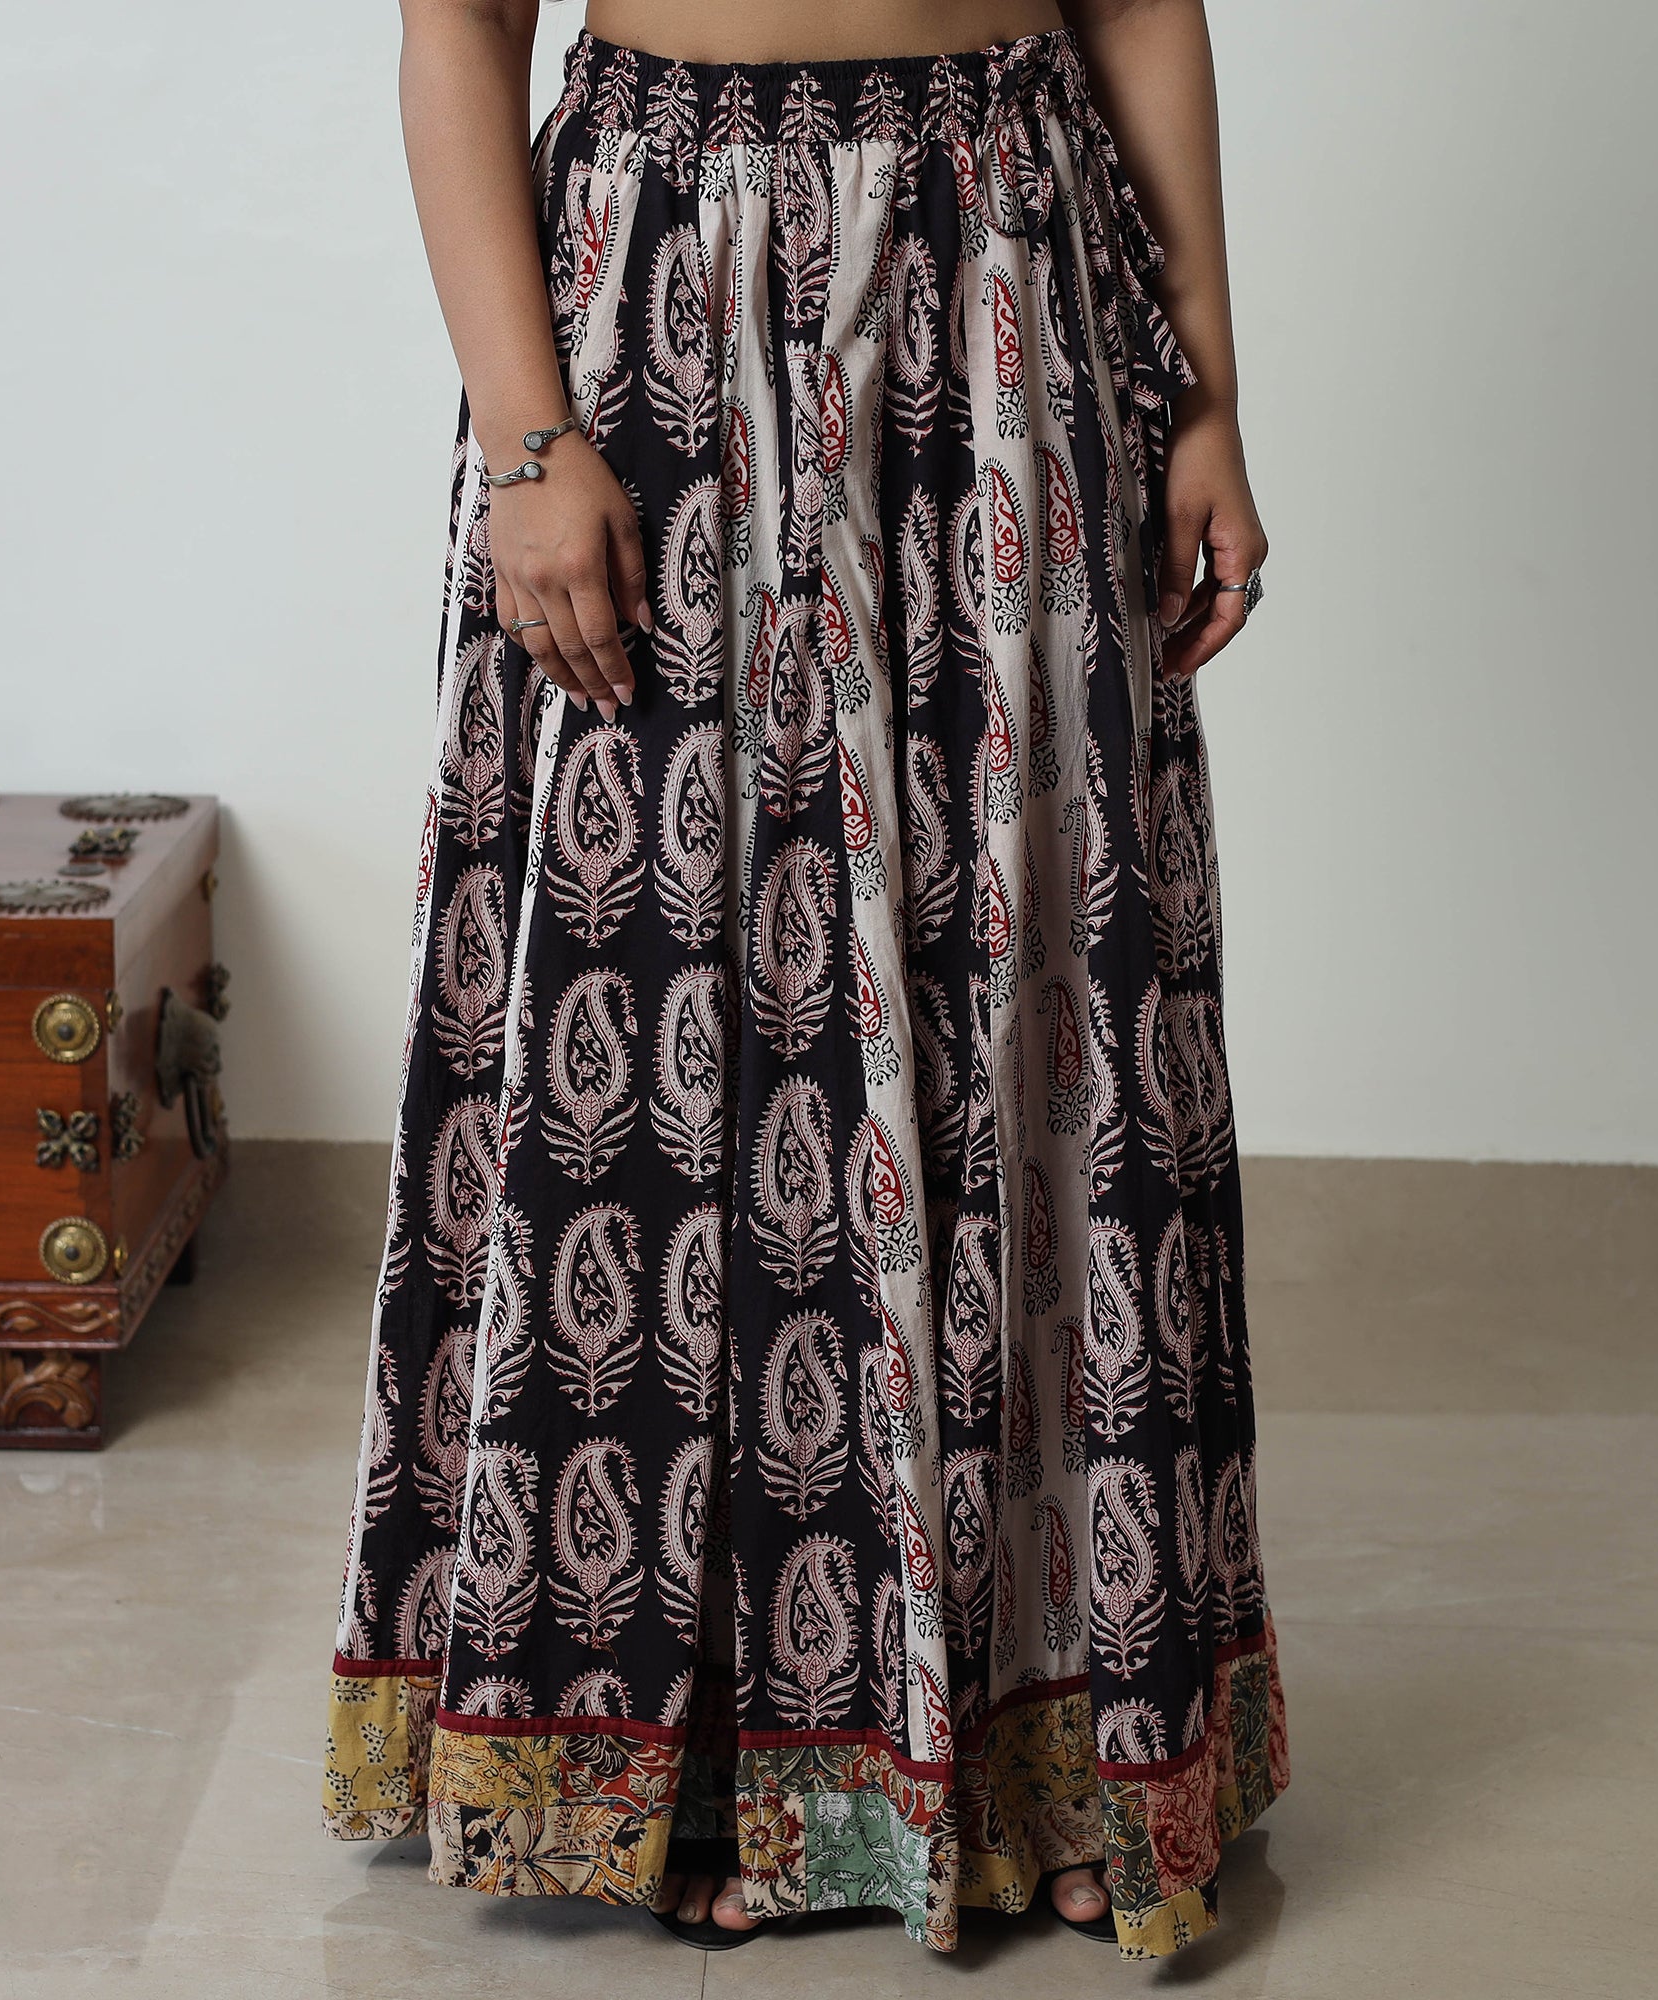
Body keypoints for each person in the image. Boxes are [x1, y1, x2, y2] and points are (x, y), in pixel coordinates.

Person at [325, 0, 1288, 1961]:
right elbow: (460, 27)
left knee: (1032, 1008)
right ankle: (692, 1751)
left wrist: (1205, 395)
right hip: (661, 304)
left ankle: (1063, 1740)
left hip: (1008, 274)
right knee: (670, 1017)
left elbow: (1135, 2)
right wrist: (527, 438)